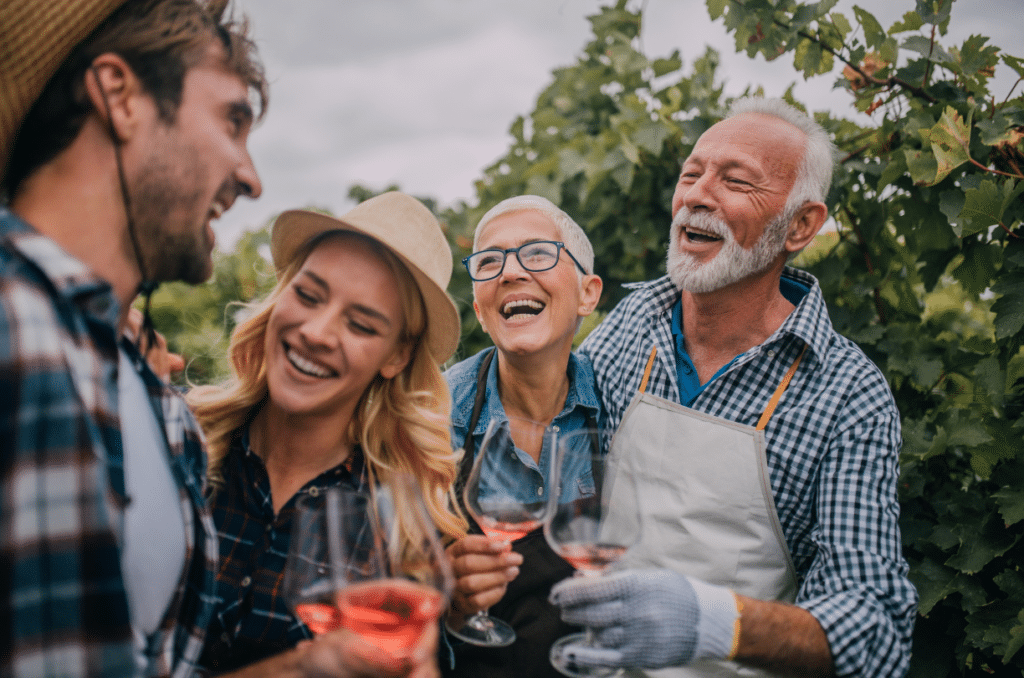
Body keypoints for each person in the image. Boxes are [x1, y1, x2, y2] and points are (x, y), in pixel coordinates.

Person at [1, 2, 437, 676]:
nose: (251, 176)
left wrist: (306, 667)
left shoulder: (155, 409)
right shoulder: (22, 332)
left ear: (396, 356)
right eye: (233, 119)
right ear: (119, 96)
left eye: (362, 322)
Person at [549, 97, 918, 678]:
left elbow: (877, 630)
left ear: (801, 225)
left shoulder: (848, 395)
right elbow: (550, 459)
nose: (697, 194)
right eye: (691, 173)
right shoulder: (632, 321)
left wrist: (714, 621)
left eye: (735, 181)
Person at [186, 192, 467, 675]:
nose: (317, 332)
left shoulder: (398, 523)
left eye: (360, 324)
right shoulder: (182, 444)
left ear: (396, 357)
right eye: (309, 295)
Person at [442, 196, 604, 678]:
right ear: (480, 308)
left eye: (537, 253)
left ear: (587, 294)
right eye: (490, 261)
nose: (510, 273)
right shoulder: (433, 416)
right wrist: (445, 598)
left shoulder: (621, 403)